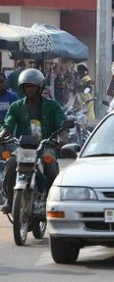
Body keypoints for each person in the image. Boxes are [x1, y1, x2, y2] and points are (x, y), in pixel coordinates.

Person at [0, 69, 66, 213]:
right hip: (23, 147)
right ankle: (10, 200)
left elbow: (62, 124)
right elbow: (8, 125)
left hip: (45, 146)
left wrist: (62, 137)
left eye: (33, 86)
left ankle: (50, 200)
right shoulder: (16, 106)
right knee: (10, 163)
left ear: (40, 87)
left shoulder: (52, 106)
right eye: (27, 86)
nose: (30, 89)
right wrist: (2, 135)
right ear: (22, 88)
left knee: (51, 165)